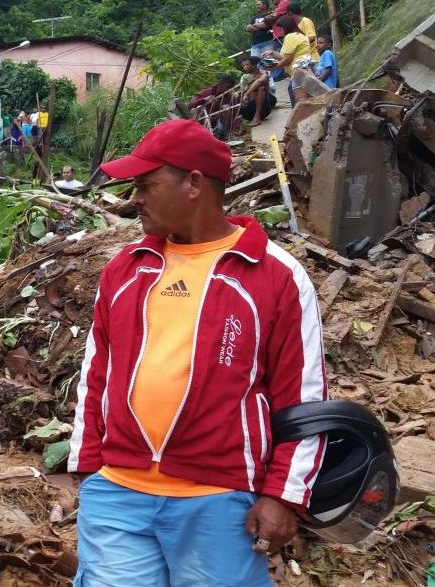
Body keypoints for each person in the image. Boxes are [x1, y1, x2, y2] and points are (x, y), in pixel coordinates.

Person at [71, 119, 327, 585]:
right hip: (118, 494)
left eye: (147, 185)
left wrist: (285, 495)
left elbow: (303, 397)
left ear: (193, 183)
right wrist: (88, 468)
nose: (135, 199)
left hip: (219, 498)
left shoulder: (274, 275)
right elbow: (97, 373)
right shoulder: (125, 270)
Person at [265, 15, 327, 104]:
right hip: (305, 69)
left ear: (286, 26)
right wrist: (272, 53)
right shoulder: (300, 35)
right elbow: (285, 56)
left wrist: (273, 67)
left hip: (299, 72)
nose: (280, 31)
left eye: (281, 28)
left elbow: (287, 59)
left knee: (301, 101)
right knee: (305, 98)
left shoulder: (290, 37)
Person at [189, 74, 240, 138]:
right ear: (220, 84)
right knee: (195, 110)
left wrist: (236, 129)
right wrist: (204, 100)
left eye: (230, 88)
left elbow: (236, 114)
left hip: (220, 125)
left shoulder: (230, 97)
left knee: (226, 108)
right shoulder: (206, 92)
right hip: (203, 123)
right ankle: (200, 134)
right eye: (227, 87)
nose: (228, 90)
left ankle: (226, 135)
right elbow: (190, 105)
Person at [239, 56, 278, 125]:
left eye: (247, 64)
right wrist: (245, 95)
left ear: (254, 66)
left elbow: (259, 82)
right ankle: (240, 124)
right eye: (244, 65)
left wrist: (246, 94)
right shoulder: (245, 77)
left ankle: (257, 117)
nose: (245, 67)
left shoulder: (265, 74)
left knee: (260, 88)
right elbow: (241, 91)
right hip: (250, 108)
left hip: (265, 107)